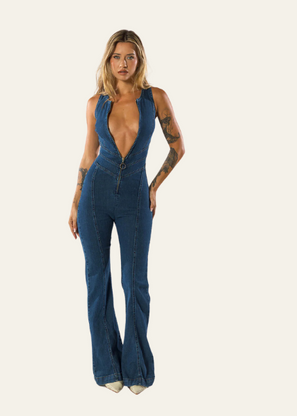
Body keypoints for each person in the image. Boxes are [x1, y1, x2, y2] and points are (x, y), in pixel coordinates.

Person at [68, 29, 185, 395]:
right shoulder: (96, 103)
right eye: (117, 57)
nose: (123, 63)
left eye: (129, 57)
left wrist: (153, 186)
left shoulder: (155, 98)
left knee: (135, 282)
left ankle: (136, 368)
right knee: (97, 279)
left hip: (135, 195)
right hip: (95, 195)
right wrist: (75, 201)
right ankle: (107, 367)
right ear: (108, 60)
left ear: (139, 60)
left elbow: (178, 147)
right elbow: (89, 155)